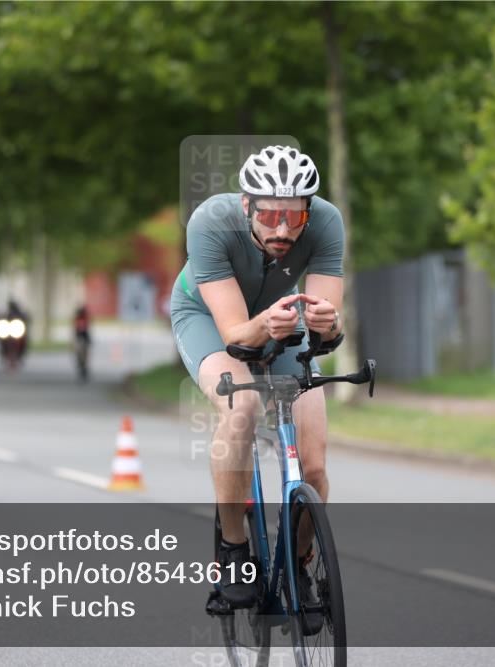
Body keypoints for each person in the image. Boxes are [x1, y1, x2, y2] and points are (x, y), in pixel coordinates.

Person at [169, 145, 344, 608]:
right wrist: (269, 324)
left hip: (282, 319)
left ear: (309, 209)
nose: (283, 229)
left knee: (317, 465)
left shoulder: (326, 221)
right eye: (268, 216)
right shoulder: (209, 222)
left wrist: (330, 326)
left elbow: (326, 321)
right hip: (208, 317)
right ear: (246, 205)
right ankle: (233, 550)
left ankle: (301, 564)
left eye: (295, 216)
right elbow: (236, 336)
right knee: (242, 405)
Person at [73, 305, 91, 382]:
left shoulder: (84, 319)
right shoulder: (78, 319)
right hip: (80, 339)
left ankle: (83, 367)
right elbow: (75, 330)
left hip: (83, 339)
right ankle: (82, 366)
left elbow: (87, 329)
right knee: (81, 354)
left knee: (83, 354)